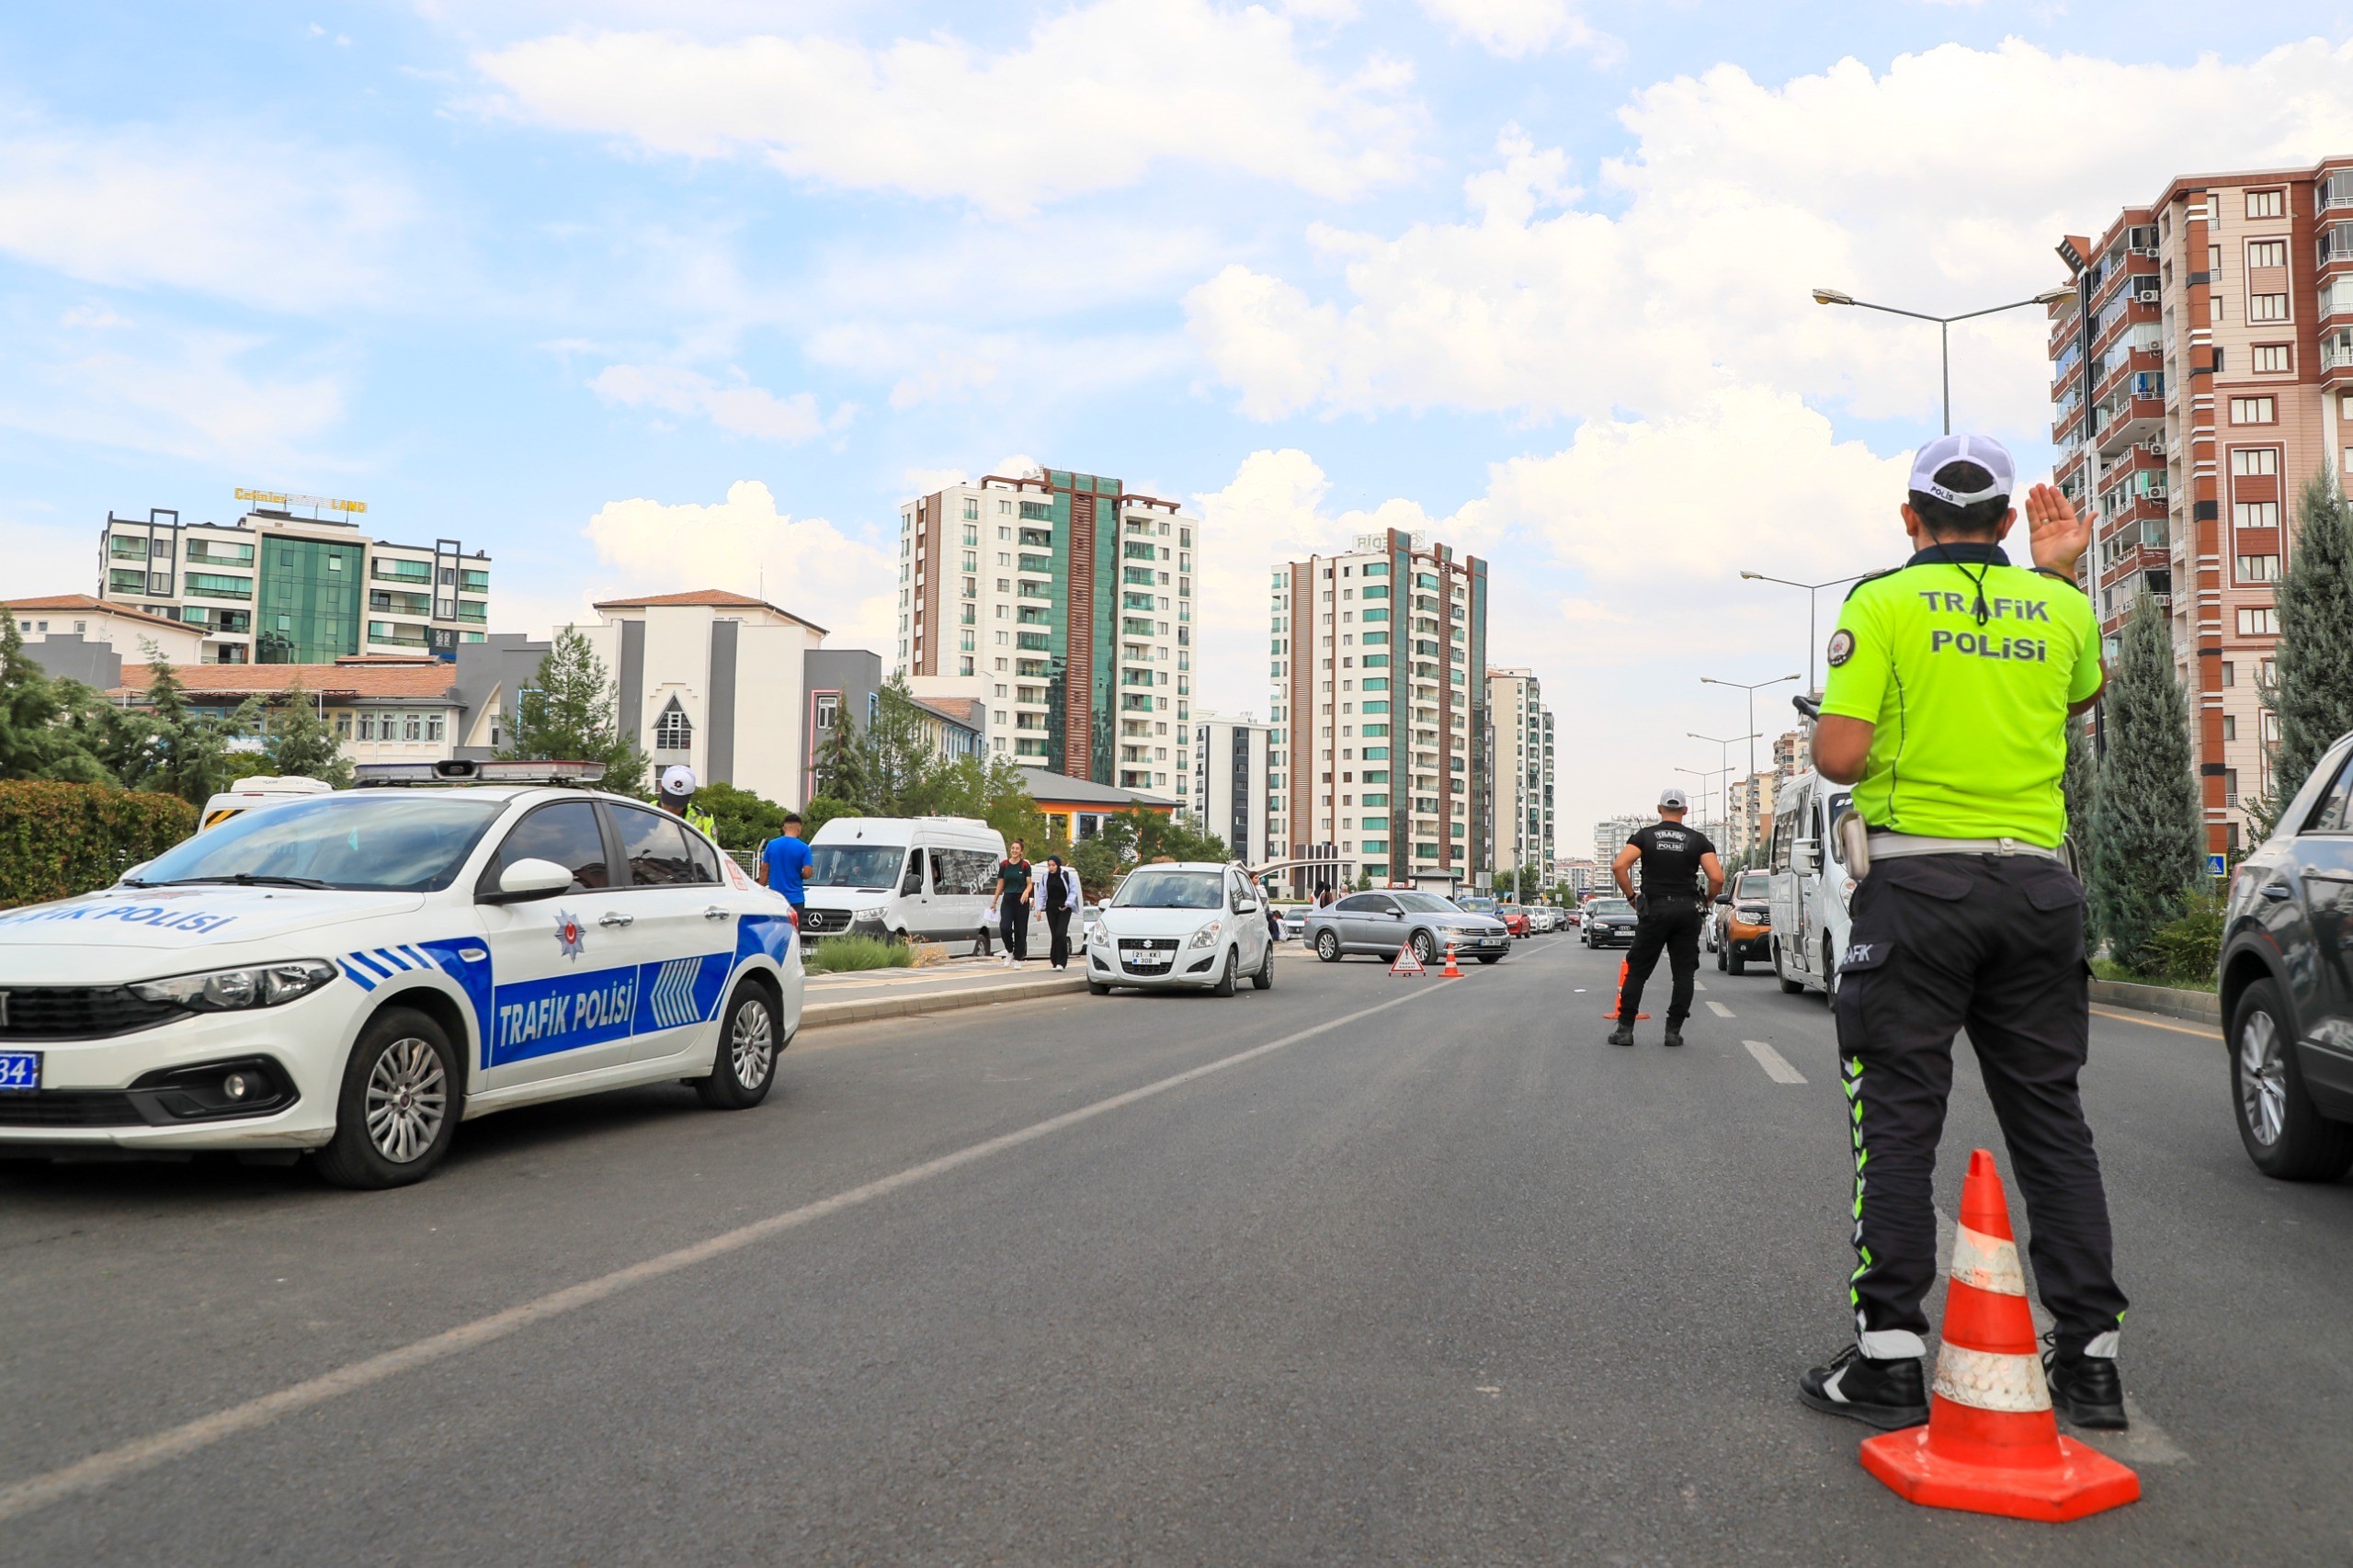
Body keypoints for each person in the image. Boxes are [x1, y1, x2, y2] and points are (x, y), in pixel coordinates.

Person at [1795, 433, 2128, 1435]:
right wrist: (2053, 575)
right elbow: (2079, 696)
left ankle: (1889, 1358)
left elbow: (1842, 755)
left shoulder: (1881, 604)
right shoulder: (2063, 606)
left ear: (1910, 517)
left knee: (1896, 1120)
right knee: (2051, 1123)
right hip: (2036, 890)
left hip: (1916, 889)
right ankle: (2091, 1363)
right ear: (2003, 520)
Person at [1607, 788, 1722, 1049]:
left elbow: (1618, 866)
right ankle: (1673, 1032)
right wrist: (1707, 900)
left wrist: (1630, 896)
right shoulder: (1697, 840)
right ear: (1685, 811)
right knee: (1683, 974)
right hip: (1686, 911)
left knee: (1637, 971)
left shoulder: (1645, 837)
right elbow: (1717, 878)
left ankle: (1625, 1031)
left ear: (1659, 809)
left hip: (1654, 909)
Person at [756, 811, 813, 927]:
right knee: (794, 933)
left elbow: (764, 870)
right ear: (799, 829)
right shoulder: (804, 847)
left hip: (775, 898)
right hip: (795, 899)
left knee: (774, 932)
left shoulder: (771, 845)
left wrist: (760, 891)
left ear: (784, 828)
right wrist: (800, 874)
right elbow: (808, 873)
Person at [991, 839, 1033, 966]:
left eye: (1017, 849)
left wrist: (1026, 892)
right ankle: (1009, 951)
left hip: (1021, 900)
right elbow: (1000, 884)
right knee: (1005, 927)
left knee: (1021, 930)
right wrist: (994, 900)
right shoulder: (1004, 865)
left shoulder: (1025, 865)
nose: (1014, 850)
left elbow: (1029, 884)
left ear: (1021, 851)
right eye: (1013, 848)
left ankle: (1018, 958)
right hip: (1008, 899)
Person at [1038, 853, 1081, 970]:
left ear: (1058, 865)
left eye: (1053, 865)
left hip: (1064, 908)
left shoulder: (1066, 876)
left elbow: (1073, 891)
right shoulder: (1045, 877)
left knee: (1061, 933)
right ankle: (1055, 961)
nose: (1051, 867)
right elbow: (1042, 894)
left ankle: (1062, 962)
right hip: (1051, 908)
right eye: (1049, 865)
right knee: (1054, 935)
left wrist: (1068, 903)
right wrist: (1039, 909)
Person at [657, 765, 718, 842]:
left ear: (690, 796)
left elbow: (710, 851)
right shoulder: (645, 812)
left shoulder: (703, 819)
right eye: (668, 802)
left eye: (677, 805)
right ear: (660, 789)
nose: (671, 808)